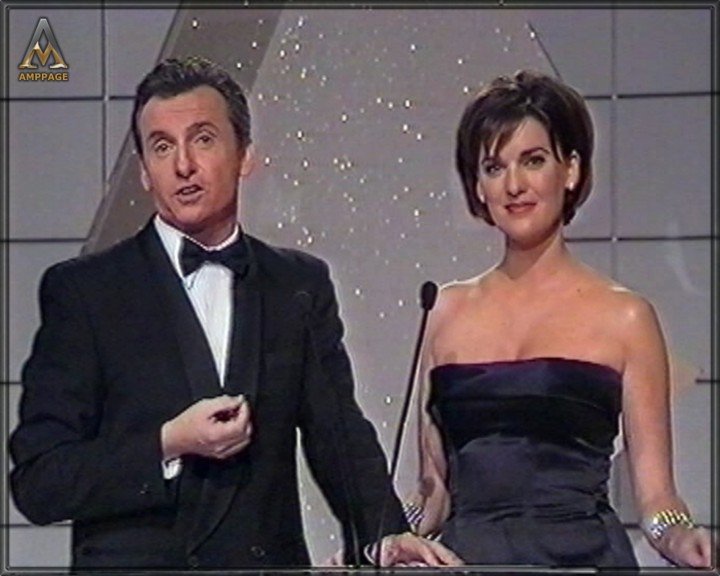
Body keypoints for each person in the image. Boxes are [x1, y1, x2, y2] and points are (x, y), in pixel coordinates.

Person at [8, 56, 458, 570]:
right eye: (161, 147)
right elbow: (41, 481)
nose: (183, 166)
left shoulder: (297, 284)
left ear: (245, 154)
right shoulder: (86, 291)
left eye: (202, 139)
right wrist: (167, 444)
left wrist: (385, 534)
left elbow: (338, 434)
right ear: (144, 172)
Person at [381, 69, 712, 569]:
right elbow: (433, 493)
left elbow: (657, 499)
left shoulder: (626, 317)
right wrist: (387, 534)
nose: (514, 185)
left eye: (533, 161)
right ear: (478, 186)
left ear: (570, 170)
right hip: (470, 562)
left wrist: (681, 535)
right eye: (494, 167)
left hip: (583, 561)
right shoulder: (444, 310)